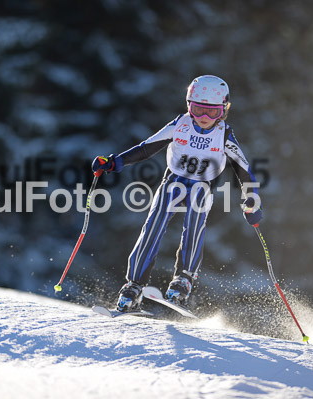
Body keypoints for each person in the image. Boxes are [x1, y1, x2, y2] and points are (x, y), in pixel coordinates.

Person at [92, 75, 263, 312]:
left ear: (224, 111)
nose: (204, 118)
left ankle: (183, 279)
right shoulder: (180, 124)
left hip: (202, 185)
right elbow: (146, 148)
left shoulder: (223, 134)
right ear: (188, 105)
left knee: (194, 224)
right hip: (174, 181)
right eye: (198, 109)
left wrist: (251, 200)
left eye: (212, 113)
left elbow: (243, 169)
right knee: (154, 225)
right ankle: (134, 285)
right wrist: (114, 163)